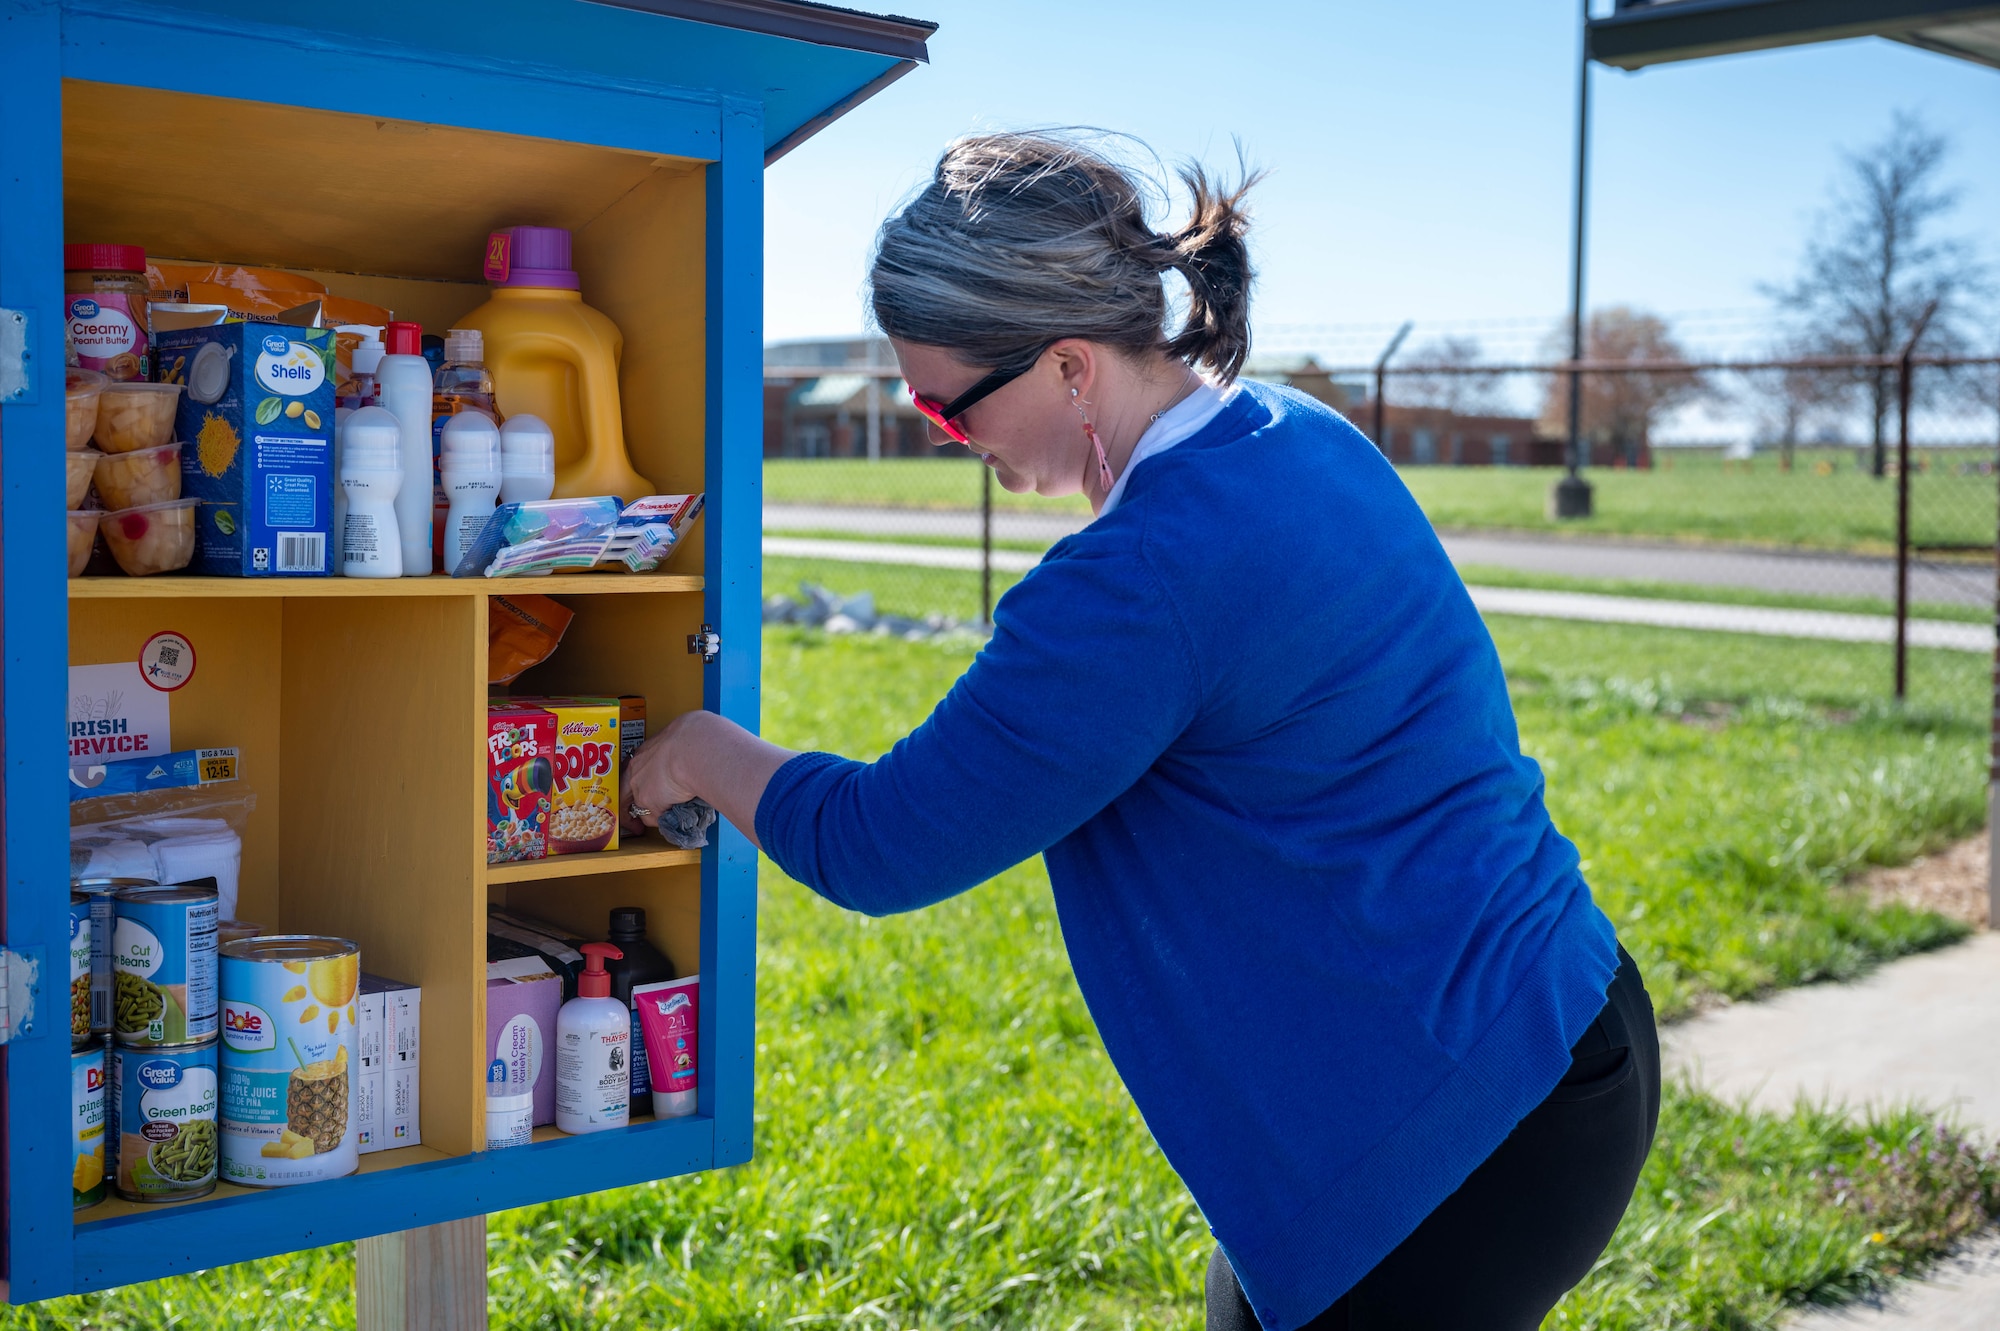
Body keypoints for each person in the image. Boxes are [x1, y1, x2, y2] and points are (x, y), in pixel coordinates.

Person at [621, 131, 1661, 1331]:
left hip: (1444, 1125)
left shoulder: (1143, 578)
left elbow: (884, 842)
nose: (949, 439)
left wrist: (700, 747)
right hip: (1556, 1018)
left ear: (1067, 364)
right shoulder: (1288, 433)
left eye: (948, 406)